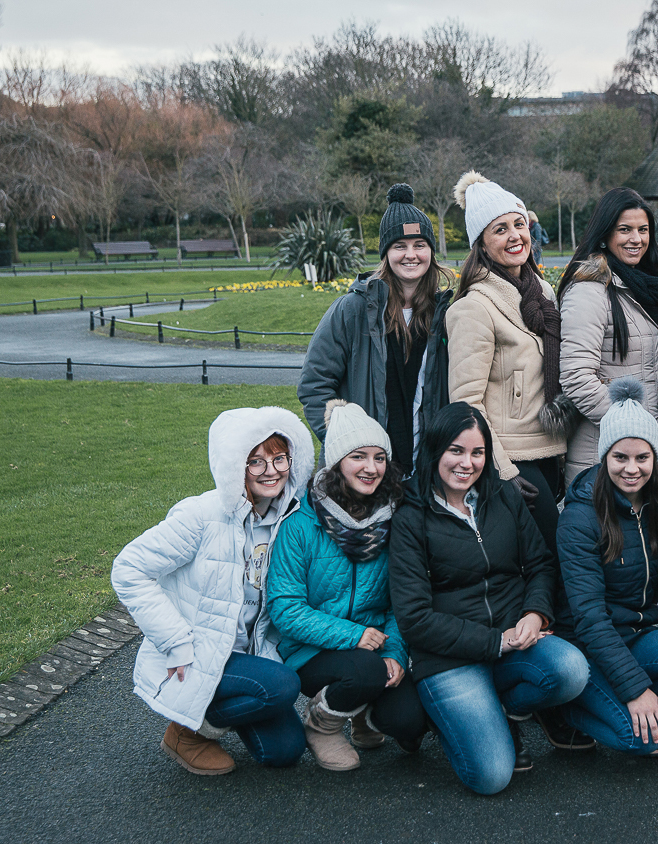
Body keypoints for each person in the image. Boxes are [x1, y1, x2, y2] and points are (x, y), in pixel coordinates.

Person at [387, 402, 590, 795]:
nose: (468, 463)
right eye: (456, 451)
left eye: (478, 452)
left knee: (571, 670)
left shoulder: (502, 497)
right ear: (434, 451)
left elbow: (540, 564)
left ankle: (501, 708)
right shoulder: (411, 515)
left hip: (512, 639)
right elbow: (413, 618)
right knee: (492, 776)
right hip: (447, 658)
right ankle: (446, 719)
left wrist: (535, 614)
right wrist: (494, 642)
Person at [111, 407, 314, 775]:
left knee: (285, 751)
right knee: (283, 686)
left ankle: (231, 703)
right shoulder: (202, 514)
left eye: (279, 458)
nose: (271, 471)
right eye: (256, 461)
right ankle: (186, 731)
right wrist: (174, 641)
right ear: (235, 464)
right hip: (199, 651)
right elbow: (129, 568)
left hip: (250, 652)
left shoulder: (289, 518)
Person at [556, 378, 658, 756]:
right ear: (604, 457)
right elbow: (589, 619)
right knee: (643, 740)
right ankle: (562, 706)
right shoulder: (579, 519)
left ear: (654, 457)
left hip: (636, 633)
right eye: (620, 457)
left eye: (642, 457)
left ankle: (620, 692)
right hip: (587, 646)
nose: (632, 469)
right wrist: (635, 689)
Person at [267, 401, 429, 771]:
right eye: (358, 456)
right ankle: (322, 724)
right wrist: (353, 635)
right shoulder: (302, 525)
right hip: (311, 651)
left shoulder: (394, 519)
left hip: (375, 646)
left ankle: (361, 713)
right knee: (364, 672)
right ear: (337, 462)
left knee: (409, 720)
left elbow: (400, 602)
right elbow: (285, 608)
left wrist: (396, 653)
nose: (371, 468)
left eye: (379, 457)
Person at [446, 171, 578, 557]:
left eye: (519, 224)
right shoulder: (474, 307)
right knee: (553, 562)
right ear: (482, 245)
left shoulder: (541, 293)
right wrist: (502, 471)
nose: (515, 236)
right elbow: (466, 403)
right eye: (500, 229)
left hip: (553, 451)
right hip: (515, 460)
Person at [299, 184, 452, 477]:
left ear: (431, 251)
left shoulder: (444, 313)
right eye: (400, 246)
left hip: (427, 470)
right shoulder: (353, 310)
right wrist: (347, 447)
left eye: (420, 245)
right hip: (366, 473)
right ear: (386, 253)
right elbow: (314, 384)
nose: (411, 255)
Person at [556, 187, 658, 517]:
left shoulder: (649, 286)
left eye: (643, 230)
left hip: (651, 454)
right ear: (605, 233)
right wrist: (629, 427)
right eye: (624, 229)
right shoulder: (589, 290)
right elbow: (576, 377)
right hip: (605, 455)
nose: (635, 239)